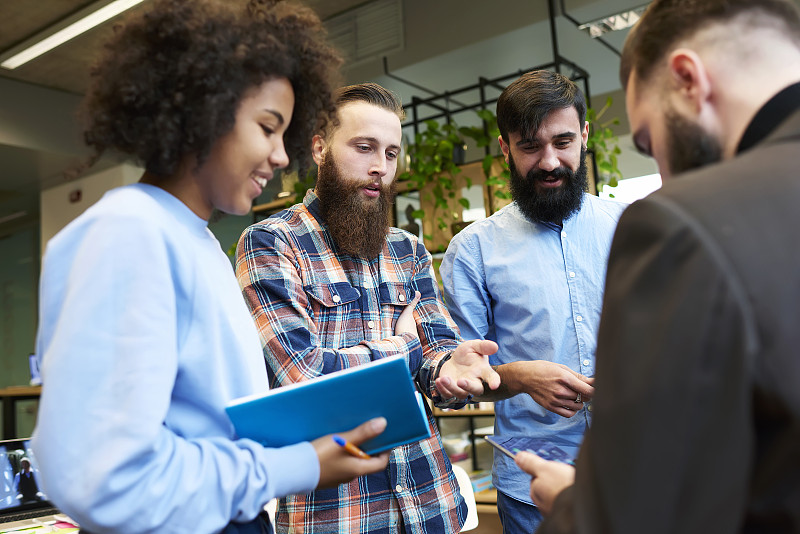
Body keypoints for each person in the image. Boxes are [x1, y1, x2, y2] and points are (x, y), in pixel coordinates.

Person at [31, 1, 393, 532]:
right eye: (267, 128)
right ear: (202, 110)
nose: (279, 156)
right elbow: (102, 478)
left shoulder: (193, 240)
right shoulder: (130, 233)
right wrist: (299, 465)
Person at [515, 0, 800, 532]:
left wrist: (573, 505)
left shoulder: (682, 222)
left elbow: (630, 516)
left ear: (688, 80)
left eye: (649, 141)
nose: (664, 173)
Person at [235, 82, 501, 534]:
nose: (380, 167)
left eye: (392, 154)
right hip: (337, 515)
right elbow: (304, 378)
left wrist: (448, 370)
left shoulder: (408, 250)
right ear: (320, 147)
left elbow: (435, 358)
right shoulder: (271, 243)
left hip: (429, 505)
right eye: (364, 147)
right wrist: (402, 346)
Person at [438, 70, 626, 533]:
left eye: (563, 142)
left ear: (584, 136)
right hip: (532, 488)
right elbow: (454, 379)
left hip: (636, 468)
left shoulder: (631, 226)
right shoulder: (473, 250)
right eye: (529, 146)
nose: (549, 161)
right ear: (504, 148)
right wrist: (517, 377)